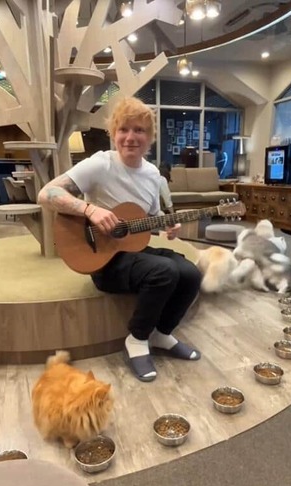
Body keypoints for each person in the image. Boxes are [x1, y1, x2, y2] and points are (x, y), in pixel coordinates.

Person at [38, 96, 202, 382]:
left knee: (190, 273)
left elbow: (149, 217)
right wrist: (89, 209)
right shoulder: (100, 164)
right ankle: (137, 339)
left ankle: (162, 334)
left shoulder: (152, 174)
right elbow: (46, 194)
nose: (130, 137)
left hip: (135, 251)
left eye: (139, 130)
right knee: (164, 271)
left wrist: (167, 224)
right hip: (103, 260)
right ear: (113, 133)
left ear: (149, 137)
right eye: (123, 129)